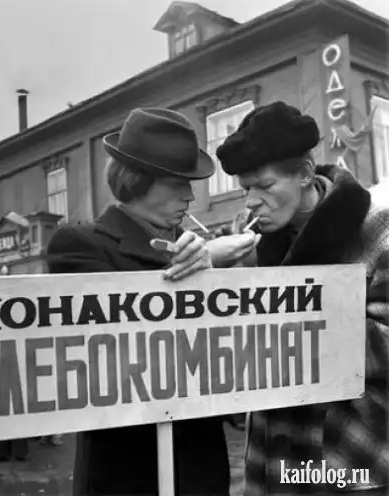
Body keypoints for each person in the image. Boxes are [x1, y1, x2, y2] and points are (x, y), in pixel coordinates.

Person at [45, 107, 259, 496]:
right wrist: (201, 262)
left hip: (199, 465)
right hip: (129, 468)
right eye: (177, 183)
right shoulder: (79, 244)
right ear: (137, 180)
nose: (189, 196)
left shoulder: (192, 245)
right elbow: (115, 344)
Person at [211, 101, 389, 495]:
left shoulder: (377, 228)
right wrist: (207, 261)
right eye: (245, 188)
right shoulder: (248, 233)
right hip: (271, 451)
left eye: (264, 185)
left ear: (305, 173)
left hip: (349, 452)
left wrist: (291, 323)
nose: (251, 200)